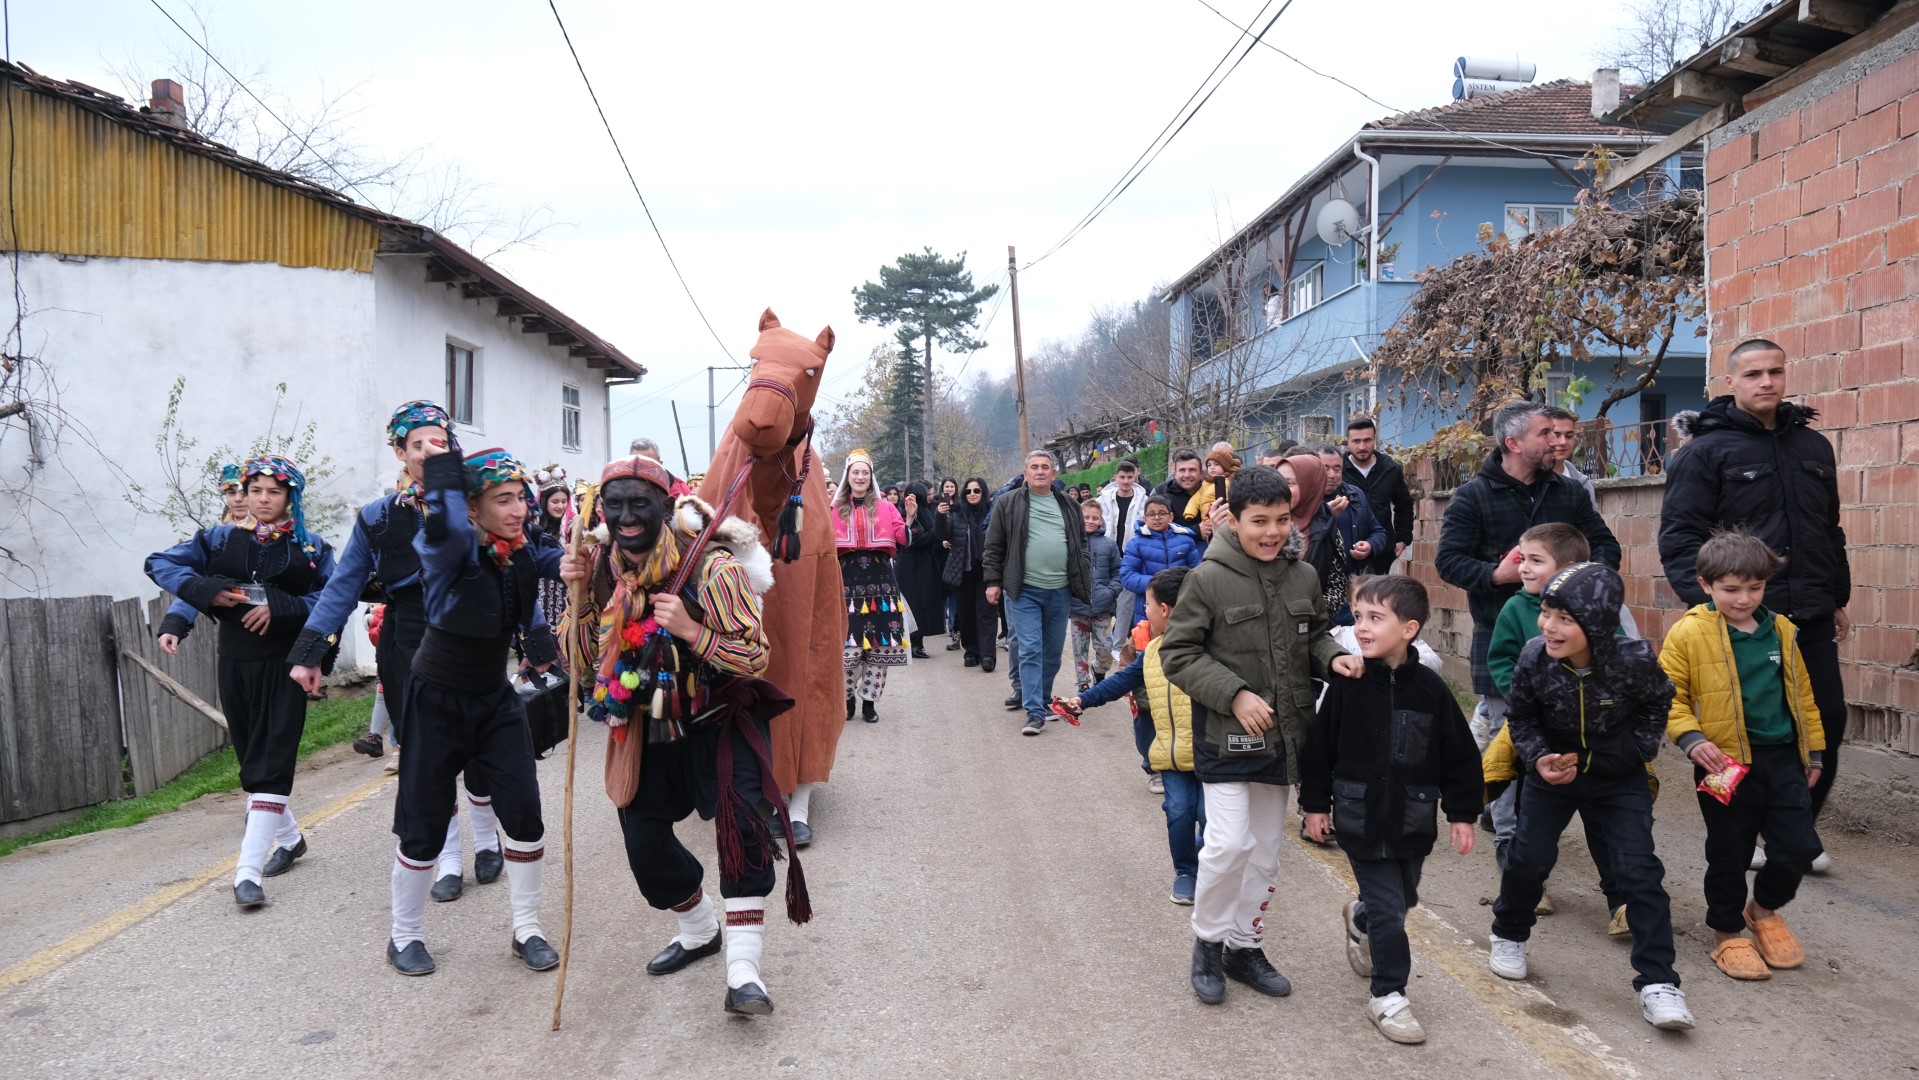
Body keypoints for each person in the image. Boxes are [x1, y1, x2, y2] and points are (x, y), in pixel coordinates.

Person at [563, 453, 800, 1016]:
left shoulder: (713, 568)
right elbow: (580, 664)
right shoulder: (598, 569)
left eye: (639, 504)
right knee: (644, 844)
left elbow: (755, 657)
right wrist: (581, 599)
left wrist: (692, 630)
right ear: (600, 510)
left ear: (666, 507)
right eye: (614, 505)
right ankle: (698, 930)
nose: (626, 517)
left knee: (743, 832)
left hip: (720, 719)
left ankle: (744, 972)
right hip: (647, 723)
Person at [288, 402, 512, 904]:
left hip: (473, 636)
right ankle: (449, 857)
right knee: (426, 755)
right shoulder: (379, 516)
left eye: (441, 441)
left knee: (478, 744)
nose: (431, 450)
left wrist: (533, 636)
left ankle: (487, 836)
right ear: (400, 452)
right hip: (408, 640)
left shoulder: (477, 500)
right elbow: (343, 585)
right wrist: (309, 652)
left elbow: (513, 562)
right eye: (418, 443)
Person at [1160, 466, 1362, 1005]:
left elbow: (1314, 637)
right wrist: (1234, 694)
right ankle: (1208, 944)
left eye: (1281, 520)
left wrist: (1334, 658)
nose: (1272, 532)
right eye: (1259, 521)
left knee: (1266, 853)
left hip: (1283, 738)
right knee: (1228, 844)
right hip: (1226, 736)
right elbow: (1178, 654)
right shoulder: (1206, 578)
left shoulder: (1303, 576)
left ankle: (1244, 947)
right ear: (1234, 519)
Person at [1658, 339, 1850, 870]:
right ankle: (1742, 833)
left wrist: (1837, 597)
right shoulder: (1704, 452)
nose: (1766, 382)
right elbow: (1679, 536)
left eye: (1775, 372)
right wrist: (1712, 606)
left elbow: (1829, 529)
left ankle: (1792, 830)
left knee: (1825, 720)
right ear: (1731, 383)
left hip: (1807, 612)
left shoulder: (1814, 447)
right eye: (1753, 374)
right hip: (1739, 619)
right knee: (1739, 728)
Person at [1486, 563, 1693, 1032]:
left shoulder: (1634, 659)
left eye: (1565, 618)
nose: (1549, 626)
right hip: (1552, 776)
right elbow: (1521, 716)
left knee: (1638, 870)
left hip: (1619, 779)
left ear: (1598, 623)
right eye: (1546, 613)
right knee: (1528, 857)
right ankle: (1509, 933)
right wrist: (1538, 757)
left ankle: (1659, 981)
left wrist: (1638, 749)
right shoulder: (1534, 657)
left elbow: (1659, 700)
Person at [382, 444, 560, 977]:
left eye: (520, 497)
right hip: (435, 700)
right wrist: (441, 463)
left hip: (495, 700)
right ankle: (404, 936)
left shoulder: (522, 548)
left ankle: (527, 929)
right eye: (503, 500)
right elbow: (442, 526)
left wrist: (579, 562)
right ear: (473, 508)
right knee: (424, 821)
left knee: (524, 812)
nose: (518, 509)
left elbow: (551, 563)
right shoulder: (448, 549)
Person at [148, 456, 336, 908]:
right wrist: (193, 604)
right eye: (255, 491)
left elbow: (333, 597)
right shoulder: (218, 539)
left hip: (286, 664)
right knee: (253, 761)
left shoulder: (312, 548)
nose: (262, 500)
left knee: (271, 763)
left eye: (274, 491)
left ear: (291, 497)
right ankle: (290, 839)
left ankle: (247, 873)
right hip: (234, 662)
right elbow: (162, 563)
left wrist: (282, 607)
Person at [1301, 575, 1480, 1045]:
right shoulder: (1347, 686)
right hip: (1359, 817)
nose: (1361, 627)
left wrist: (1462, 813)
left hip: (1411, 820)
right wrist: (1315, 805)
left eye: (1375, 618)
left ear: (1409, 629)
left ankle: (1360, 918)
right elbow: (1319, 750)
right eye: (1358, 616)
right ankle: (1389, 995)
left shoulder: (1431, 690)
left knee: (1402, 901)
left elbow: (1459, 756)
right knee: (1389, 909)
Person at [1660, 531, 1825, 982]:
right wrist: (1692, 739)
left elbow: (1803, 696)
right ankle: (1727, 932)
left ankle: (1763, 910)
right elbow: (1667, 696)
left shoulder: (1782, 630)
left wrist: (1813, 752)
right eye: (1731, 589)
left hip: (1784, 760)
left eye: (1755, 587)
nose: (1744, 598)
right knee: (1729, 852)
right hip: (1723, 765)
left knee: (1798, 847)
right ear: (1706, 584)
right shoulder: (1689, 632)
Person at [1436, 401, 1621, 787]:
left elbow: (1605, 545)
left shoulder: (1569, 492)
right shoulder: (1472, 497)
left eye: (1557, 433)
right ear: (1514, 443)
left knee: (1566, 737)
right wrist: (1496, 574)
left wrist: (1583, 582)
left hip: (1570, 638)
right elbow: (1449, 562)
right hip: (1502, 641)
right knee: (1510, 740)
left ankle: (1543, 810)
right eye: (1545, 433)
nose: (1556, 441)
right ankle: (1505, 818)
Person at [1482, 522, 1634, 927]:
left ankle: (1621, 902)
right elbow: (1500, 660)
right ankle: (1533, 885)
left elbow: (1618, 658)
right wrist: (1526, 700)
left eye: (1535, 560)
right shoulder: (1515, 609)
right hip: (1540, 736)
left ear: (1568, 570)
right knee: (1537, 820)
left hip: (1594, 737)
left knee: (1602, 821)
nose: (1523, 567)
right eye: (1522, 558)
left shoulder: (1599, 610)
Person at [1060, 566, 1206, 904]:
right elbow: (1120, 682)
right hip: (1171, 753)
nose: (1145, 611)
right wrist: (1083, 700)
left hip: (1210, 753)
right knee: (1179, 811)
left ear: (1165, 610)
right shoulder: (1152, 653)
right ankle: (1186, 871)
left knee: (1210, 818)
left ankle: (1207, 856)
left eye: (1148, 605)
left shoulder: (1211, 647)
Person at [984, 449, 1092, 736]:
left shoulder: (1069, 504)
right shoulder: (1008, 503)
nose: (1040, 471)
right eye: (1035, 467)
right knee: (1030, 648)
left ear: (1054, 474)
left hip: (1060, 590)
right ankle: (1034, 712)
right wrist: (993, 581)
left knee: (1053, 652)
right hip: (1024, 590)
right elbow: (993, 546)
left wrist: (1083, 566)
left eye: (1045, 467)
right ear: (1026, 473)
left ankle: (1043, 697)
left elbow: (1081, 542)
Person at [832, 450, 909, 723]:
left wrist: (910, 518)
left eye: (865, 472)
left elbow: (902, 538)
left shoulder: (886, 507)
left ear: (871, 476)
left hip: (881, 583)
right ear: (848, 476)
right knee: (847, 647)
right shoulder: (833, 508)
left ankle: (869, 702)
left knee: (879, 646)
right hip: (846, 582)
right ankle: (847, 698)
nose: (860, 477)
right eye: (856, 472)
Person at [1274, 453, 1351, 623]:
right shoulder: (1262, 523)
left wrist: (1307, 613)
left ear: (1309, 486)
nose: (1280, 489)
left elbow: (1337, 587)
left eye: (1289, 483)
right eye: (1277, 482)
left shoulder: (1326, 528)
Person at [936, 477, 996, 673]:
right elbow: (942, 535)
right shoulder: (956, 513)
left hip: (987, 570)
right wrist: (940, 515)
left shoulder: (992, 513)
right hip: (963, 570)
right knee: (966, 613)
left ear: (983, 492)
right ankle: (971, 651)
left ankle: (987, 655)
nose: (972, 494)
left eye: (976, 491)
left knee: (986, 613)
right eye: (968, 491)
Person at [1342, 418, 1413, 574]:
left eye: (1367, 440)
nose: (1362, 447)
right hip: (1345, 552)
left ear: (1375, 439)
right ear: (1348, 442)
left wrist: (1403, 539)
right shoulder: (1338, 470)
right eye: (1356, 441)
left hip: (1381, 553)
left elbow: (1404, 505)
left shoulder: (1390, 469)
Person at [1314, 444, 1389, 581]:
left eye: (1337, 469)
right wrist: (1325, 515)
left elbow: (1379, 532)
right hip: (1320, 581)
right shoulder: (1304, 499)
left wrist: (1370, 545)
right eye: (1325, 468)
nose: (1332, 475)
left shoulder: (1355, 495)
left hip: (1354, 579)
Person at [1068, 500, 1122, 692]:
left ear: (1101, 520)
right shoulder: (1070, 543)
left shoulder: (1109, 545)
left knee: (1105, 648)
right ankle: (1082, 683)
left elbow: (1118, 572)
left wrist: (1111, 591)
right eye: (1086, 517)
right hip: (1077, 606)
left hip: (1103, 607)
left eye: (1094, 518)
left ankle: (1098, 670)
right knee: (1079, 648)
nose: (1090, 521)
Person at [1098, 459, 1149, 652]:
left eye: (1130, 477)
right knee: (1105, 600)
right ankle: (1103, 642)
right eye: (1122, 477)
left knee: (1126, 603)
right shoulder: (1103, 500)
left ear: (1136, 476)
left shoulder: (1144, 501)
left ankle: (1118, 646)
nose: (1126, 481)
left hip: (1131, 556)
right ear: (1116, 477)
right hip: (1107, 555)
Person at [894, 481, 948, 660]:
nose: (931, 497)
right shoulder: (907, 514)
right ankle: (913, 642)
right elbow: (917, 539)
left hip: (925, 563)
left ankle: (919, 641)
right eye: (928, 494)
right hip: (911, 564)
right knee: (913, 603)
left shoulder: (926, 512)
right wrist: (935, 536)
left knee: (924, 602)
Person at [533, 465, 572, 631]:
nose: (560, 506)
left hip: (564, 594)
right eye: (555, 502)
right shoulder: (534, 528)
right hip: (539, 594)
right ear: (544, 502)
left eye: (564, 502)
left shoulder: (572, 528)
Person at [938, 478, 962, 651]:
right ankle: (945, 623)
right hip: (941, 555)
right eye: (946, 486)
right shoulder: (937, 506)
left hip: (957, 555)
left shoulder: (961, 506)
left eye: (952, 486)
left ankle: (954, 628)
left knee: (955, 595)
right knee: (944, 594)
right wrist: (942, 542)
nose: (949, 489)